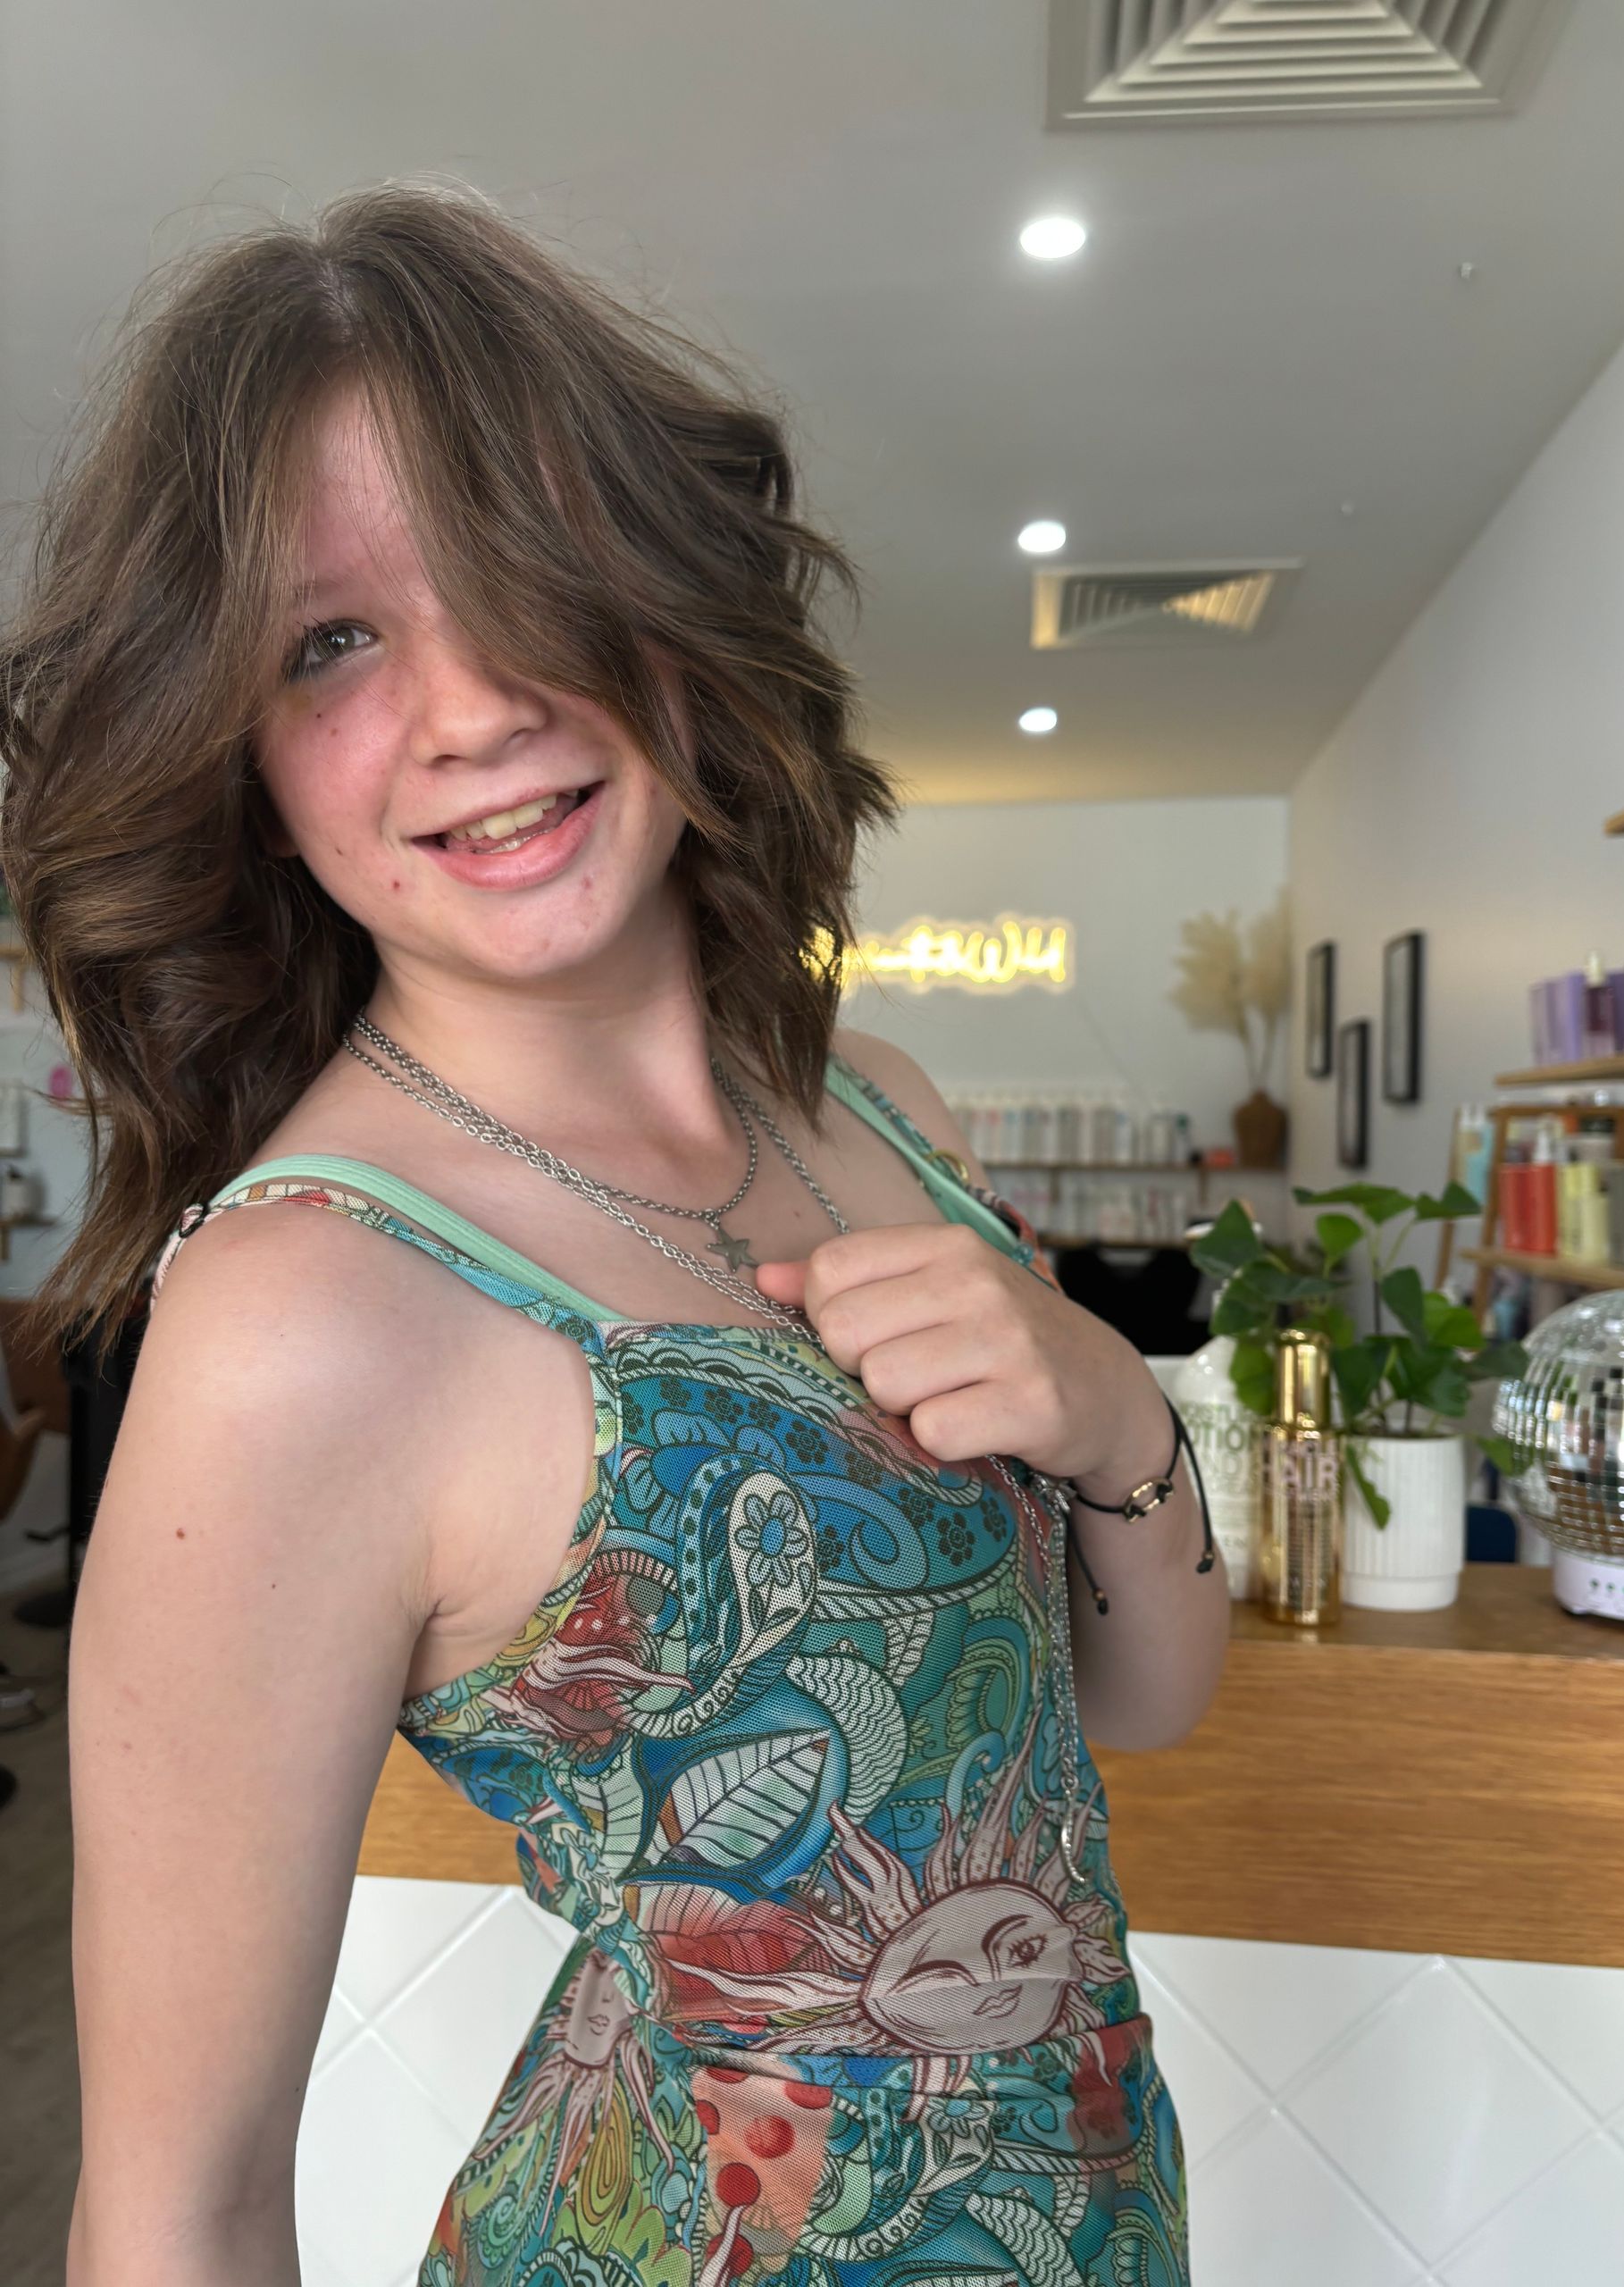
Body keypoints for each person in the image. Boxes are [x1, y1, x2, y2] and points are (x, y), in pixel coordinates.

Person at [2, 181, 1228, 2287]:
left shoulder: (886, 1114)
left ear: (662, 597)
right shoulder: (301, 1311)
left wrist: (1107, 1400)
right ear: (248, 757)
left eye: (519, 572)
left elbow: (1138, 1704)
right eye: (332, 640)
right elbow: (177, 2203)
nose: (469, 705)